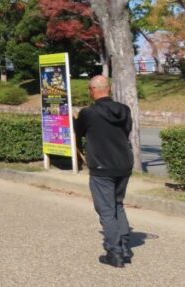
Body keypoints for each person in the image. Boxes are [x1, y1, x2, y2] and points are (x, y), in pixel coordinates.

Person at [75, 74, 134, 268]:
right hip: (124, 165)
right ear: (109, 89)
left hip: (102, 167)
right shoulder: (125, 110)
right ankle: (125, 245)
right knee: (118, 203)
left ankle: (114, 252)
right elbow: (126, 132)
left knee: (106, 210)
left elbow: (78, 132)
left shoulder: (88, 113)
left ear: (93, 90)